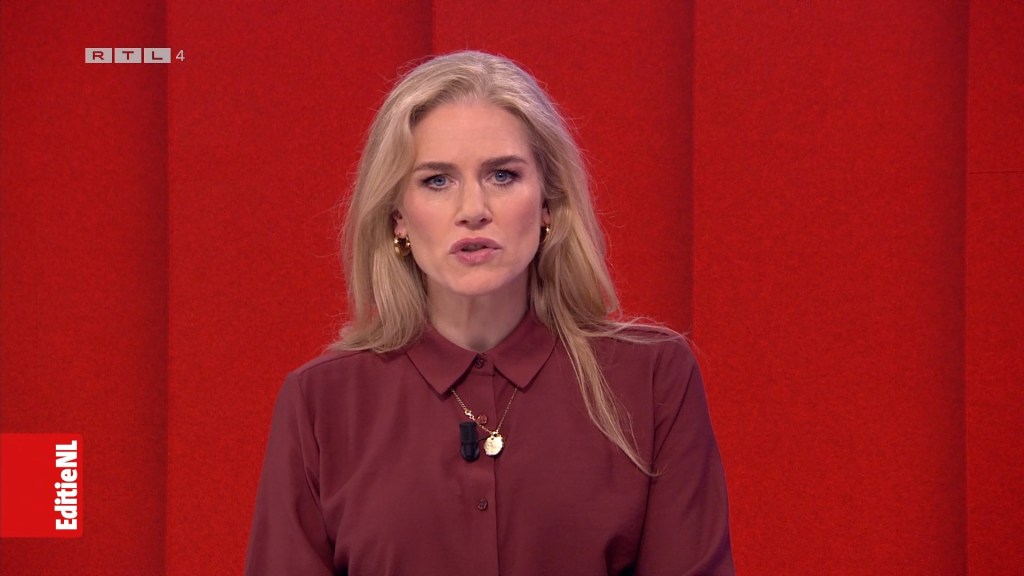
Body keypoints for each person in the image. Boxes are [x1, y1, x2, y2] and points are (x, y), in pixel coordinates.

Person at [245, 50, 734, 575]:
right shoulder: (321, 403)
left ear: (547, 203)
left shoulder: (651, 378)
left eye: (502, 175)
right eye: (437, 181)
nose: (473, 209)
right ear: (398, 218)